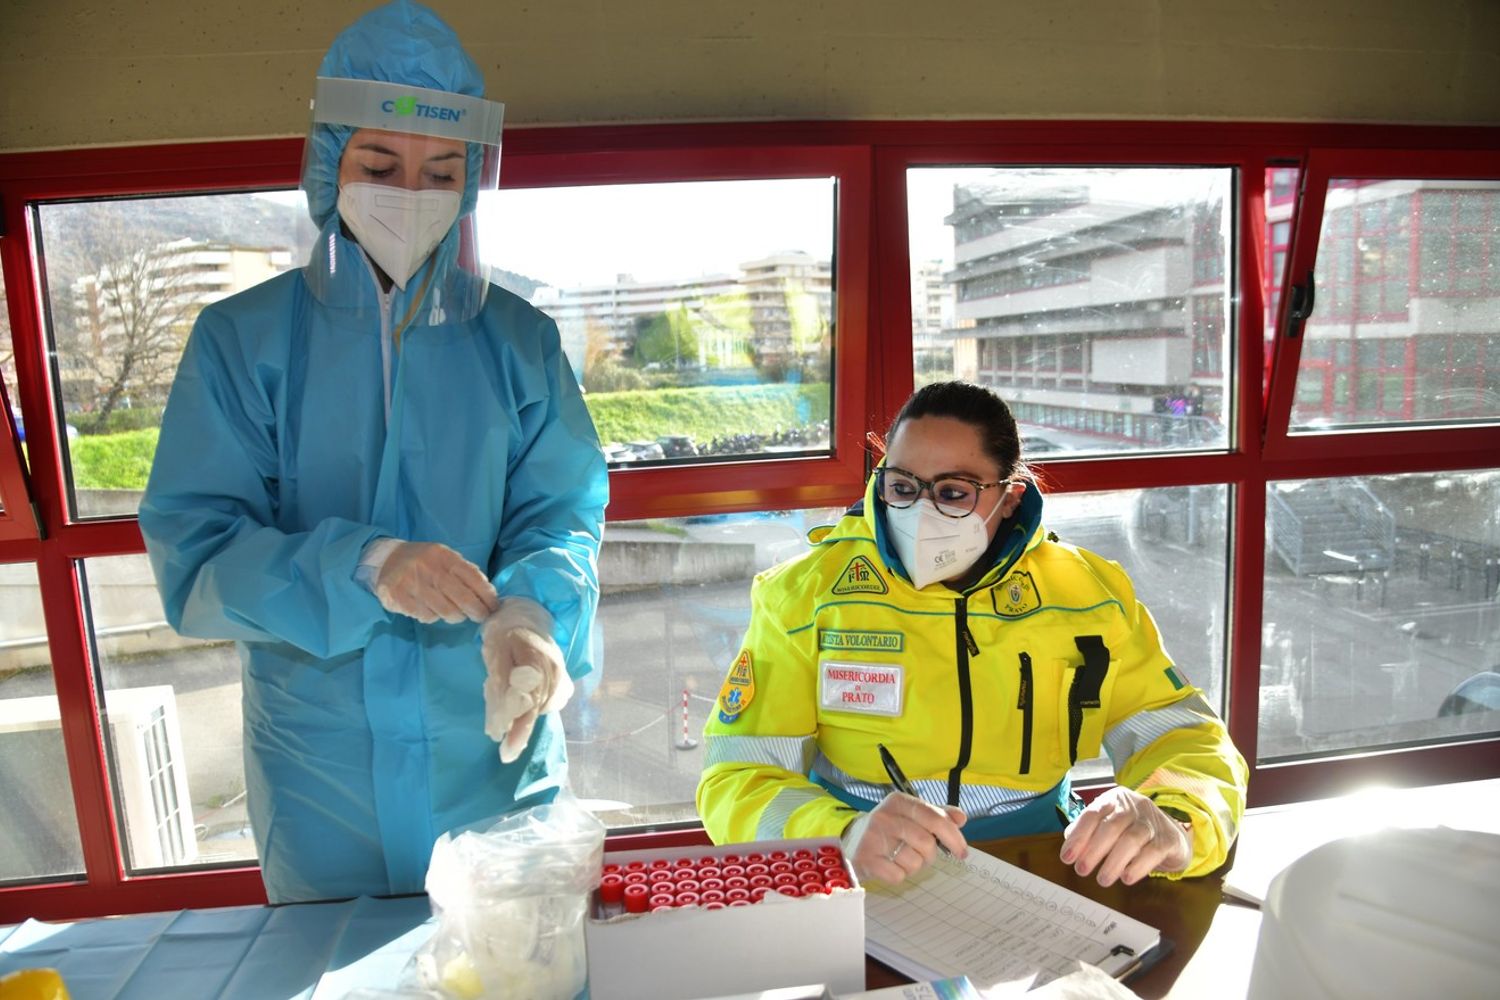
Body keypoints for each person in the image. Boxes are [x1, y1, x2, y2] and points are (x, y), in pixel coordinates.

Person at [139, 0, 608, 903]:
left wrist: (532, 619)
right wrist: (367, 564)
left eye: (441, 171)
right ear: (329, 163)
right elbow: (196, 558)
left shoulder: (520, 342)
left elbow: (563, 512)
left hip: (493, 755)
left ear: (472, 180)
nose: (410, 193)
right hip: (324, 781)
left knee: (519, 968)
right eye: (380, 163)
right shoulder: (243, 340)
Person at [696, 380, 1246, 887]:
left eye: (954, 493)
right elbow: (739, 774)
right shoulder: (807, 597)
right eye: (903, 486)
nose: (921, 512)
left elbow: (1184, 738)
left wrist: (1176, 820)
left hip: (1046, 860)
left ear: (1009, 496)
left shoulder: (1087, 596)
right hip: (869, 864)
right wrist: (838, 835)